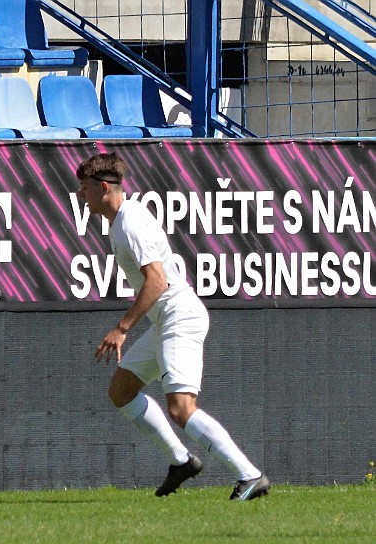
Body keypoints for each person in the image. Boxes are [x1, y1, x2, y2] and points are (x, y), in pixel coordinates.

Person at [75, 153, 270, 501]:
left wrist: (122, 328)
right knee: (121, 390)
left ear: (104, 188)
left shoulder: (130, 223)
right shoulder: (120, 221)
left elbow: (157, 282)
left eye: (85, 189)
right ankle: (180, 462)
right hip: (165, 319)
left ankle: (250, 476)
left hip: (179, 315)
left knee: (181, 409)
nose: (80, 196)